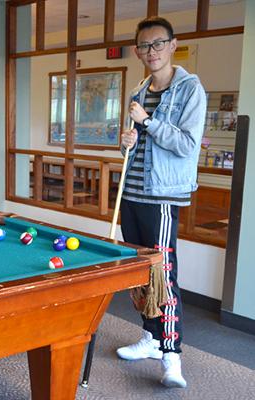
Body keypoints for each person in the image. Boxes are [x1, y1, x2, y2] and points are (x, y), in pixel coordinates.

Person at [117, 17, 206, 389]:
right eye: (144, 46)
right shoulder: (139, 90)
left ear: (172, 45)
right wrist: (127, 142)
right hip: (132, 193)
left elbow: (187, 145)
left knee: (163, 274)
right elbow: (140, 142)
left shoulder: (190, 89)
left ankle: (172, 355)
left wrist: (149, 123)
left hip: (161, 197)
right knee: (140, 274)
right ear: (137, 51)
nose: (151, 52)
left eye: (158, 44)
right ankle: (152, 337)